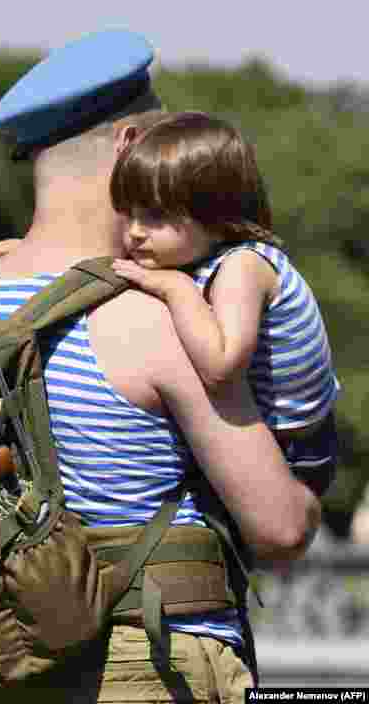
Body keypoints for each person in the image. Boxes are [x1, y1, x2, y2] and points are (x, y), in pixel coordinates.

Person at [0, 29, 321, 702]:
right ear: (128, 146)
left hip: (19, 660)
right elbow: (280, 530)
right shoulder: (158, 316)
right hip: (149, 659)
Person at [107, 111, 340, 498]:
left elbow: (221, 368)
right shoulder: (194, 251)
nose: (134, 232)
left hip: (294, 455)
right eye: (128, 214)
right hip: (269, 436)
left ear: (214, 214)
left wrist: (175, 288)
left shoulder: (242, 267)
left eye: (155, 216)